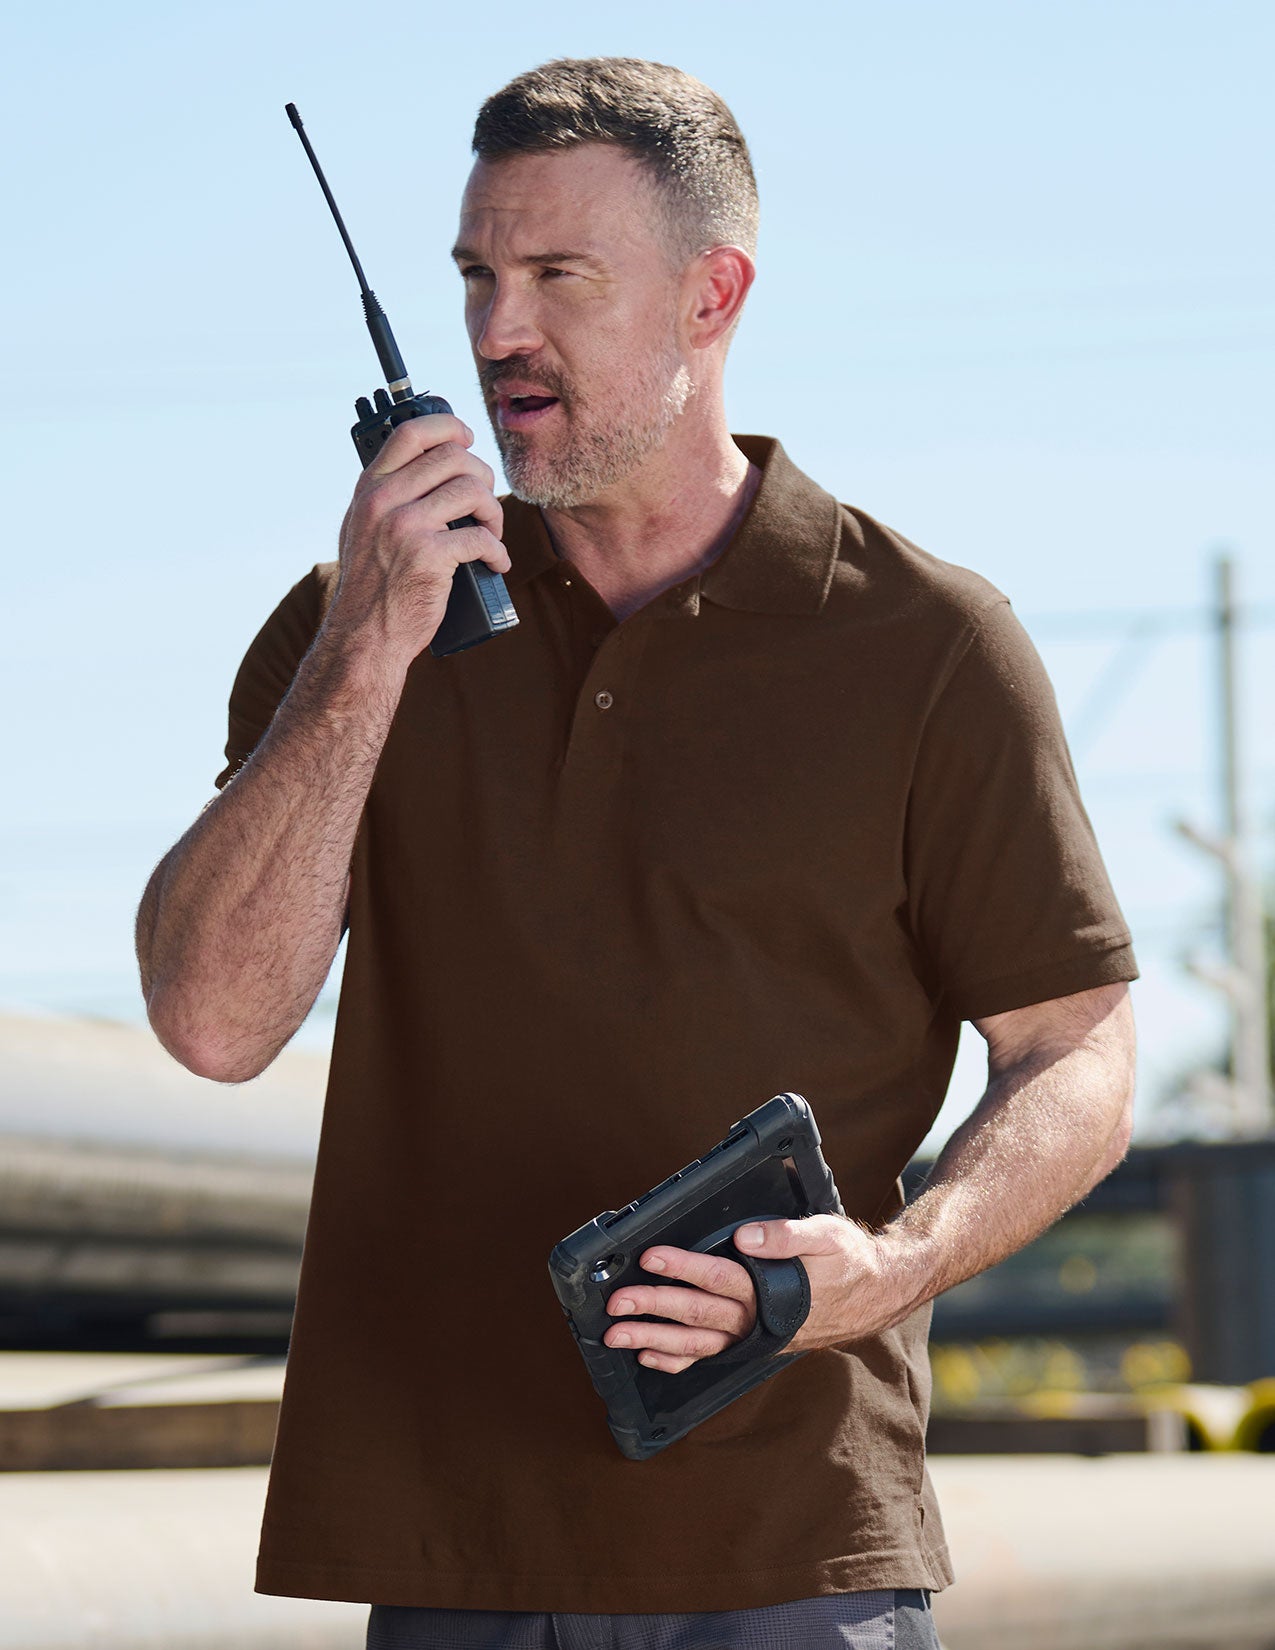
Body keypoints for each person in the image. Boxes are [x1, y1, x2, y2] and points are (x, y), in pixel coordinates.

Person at [136, 56, 1138, 1650]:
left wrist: (890, 1263)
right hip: (454, 1552)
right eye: (475, 276)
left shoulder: (928, 645)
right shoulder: (359, 625)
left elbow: (1076, 1053)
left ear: (709, 295)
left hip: (794, 1553)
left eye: (557, 278)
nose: (495, 332)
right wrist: (364, 649)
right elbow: (210, 1017)